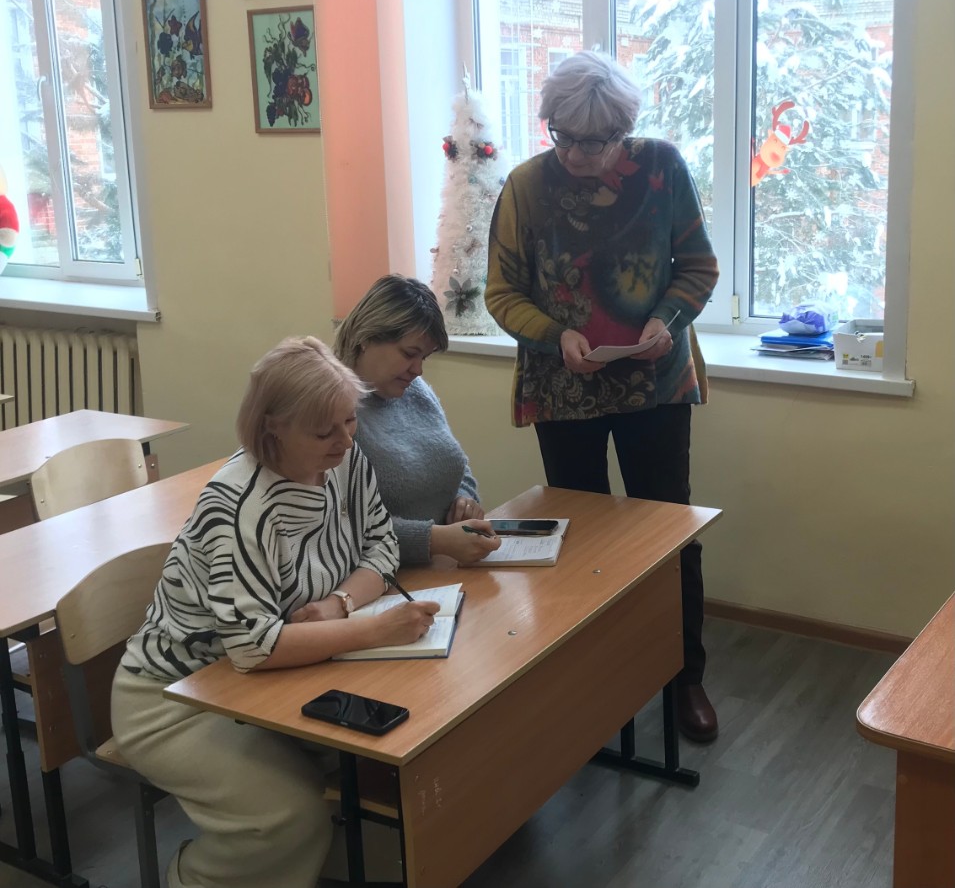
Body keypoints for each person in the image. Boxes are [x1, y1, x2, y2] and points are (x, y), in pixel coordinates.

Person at [111, 336, 439, 888]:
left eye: (349, 421)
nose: (344, 441)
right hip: (177, 699)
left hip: (276, 681)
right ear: (274, 429)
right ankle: (192, 878)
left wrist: (339, 605)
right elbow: (253, 647)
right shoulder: (239, 506)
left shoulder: (344, 460)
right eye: (324, 431)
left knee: (399, 745)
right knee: (288, 815)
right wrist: (371, 629)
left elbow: (381, 546)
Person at [485, 50, 720, 742]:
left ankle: (684, 678)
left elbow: (697, 266)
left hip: (656, 385)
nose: (580, 155)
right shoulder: (526, 187)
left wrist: (665, 320)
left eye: (597, 141)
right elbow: (502, 293)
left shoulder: (662, 168)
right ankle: (593, 684)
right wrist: (554, 334)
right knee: (579, 542)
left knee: (669, 534)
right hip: (565, 390)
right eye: (565, 138)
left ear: (625, 129)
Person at [334, 274, 501, 566]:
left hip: (441, 564)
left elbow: (456, 464)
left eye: (424, 357)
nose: (418, 370)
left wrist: (465, 501)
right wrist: (434, 540)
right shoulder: (332, 409)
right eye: (409, 354)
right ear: (366, 338)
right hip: (378, 575)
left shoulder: (415, 391)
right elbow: (340, 526)